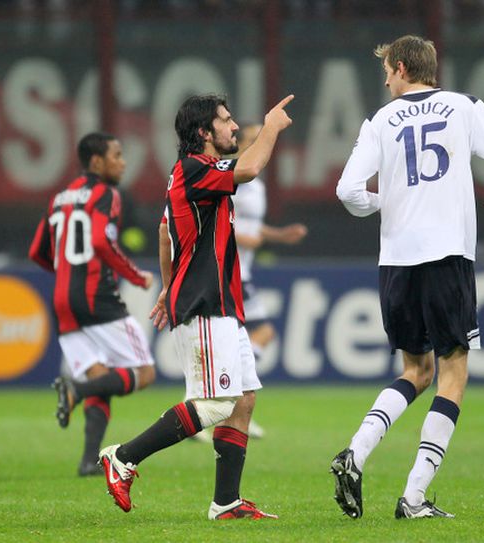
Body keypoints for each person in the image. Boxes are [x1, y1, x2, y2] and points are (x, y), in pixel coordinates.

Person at [332, 35, 484, 520]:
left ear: (403, 67)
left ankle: (355, 454)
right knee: (453, 371)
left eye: (387, 71)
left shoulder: (380, 120)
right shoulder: (463, 107)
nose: (385, 80)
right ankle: (415, 497)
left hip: (396, 261)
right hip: (447, 255)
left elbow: (347, 190)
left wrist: (385, 204)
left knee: (416, 371)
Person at [98, 93, 294, 519]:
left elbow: (164, 230)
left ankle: (226, 501)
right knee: (218, 403)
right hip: (205, 302)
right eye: (225, 122)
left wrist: (169, 288)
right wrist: (272, 126)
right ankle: (123, 457)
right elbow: (251, 166)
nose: (234, 128)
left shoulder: (189, 174)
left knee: (242, 400)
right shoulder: (195, 168)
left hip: (216, 300)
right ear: (204, 133)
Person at [28, 132, 156, 477]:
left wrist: (67, 270)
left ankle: (88, 460)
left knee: (103, 376)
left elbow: (37, 251)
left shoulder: (59, 198)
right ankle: (77, 389)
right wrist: (135, 274)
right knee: (144, 373)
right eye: (117, 154)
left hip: (63, 302)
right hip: (97, 298)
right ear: (97, 162)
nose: (123, 161)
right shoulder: (107, 194)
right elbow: (100, 238)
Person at [231, 123, 308, 437]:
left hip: (242, 272)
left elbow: (251, 225)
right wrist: (238, 237)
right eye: (253, 138)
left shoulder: (256, 185)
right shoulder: (231, 177)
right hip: (230, 271)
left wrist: (279, 235)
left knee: (248, 337)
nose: (260, 142)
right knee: (262, 332)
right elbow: (215, 217)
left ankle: (223, 402)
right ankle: (232, 398)